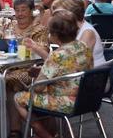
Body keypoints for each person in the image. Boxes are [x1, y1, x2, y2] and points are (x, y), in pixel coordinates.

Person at [14, 10, 93, 138]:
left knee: (18, 98)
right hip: (87, 98)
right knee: (43, 95)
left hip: (67, 102)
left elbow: (38, 87)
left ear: (55, 35)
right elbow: (70, 69)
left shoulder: (57, 55)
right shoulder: (83, 47)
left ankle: (44, 134)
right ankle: (54, 133)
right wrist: (43, 71)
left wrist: (37, 77)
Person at [0, 0, 49, 135]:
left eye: (23, 10)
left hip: (28, 70)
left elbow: (44, 53)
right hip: (1, 68)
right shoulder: (8, 25)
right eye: (17, 10)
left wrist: (31, 47)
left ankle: (14, 130)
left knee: (10, 81)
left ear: (31, 11)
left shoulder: (39, 29)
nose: (20, 14)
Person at [51, 0, 106, 67]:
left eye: (58, 15)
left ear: (69, 15)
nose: (55, 19)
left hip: (92, 75)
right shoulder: (72, 30)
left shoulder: (87, 32)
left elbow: (77, 63)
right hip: (77, 73)